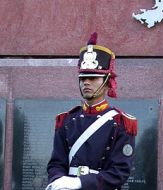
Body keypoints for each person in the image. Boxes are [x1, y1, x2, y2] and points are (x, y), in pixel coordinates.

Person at [45, 32, 137, 190]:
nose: (86, 83)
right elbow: (56, 163)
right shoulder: (66, 120)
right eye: (83, 78)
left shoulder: (121, 122)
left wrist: (80, 182)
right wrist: (58, 181)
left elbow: (119, 172)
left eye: (93, 78)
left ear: (108, 83)